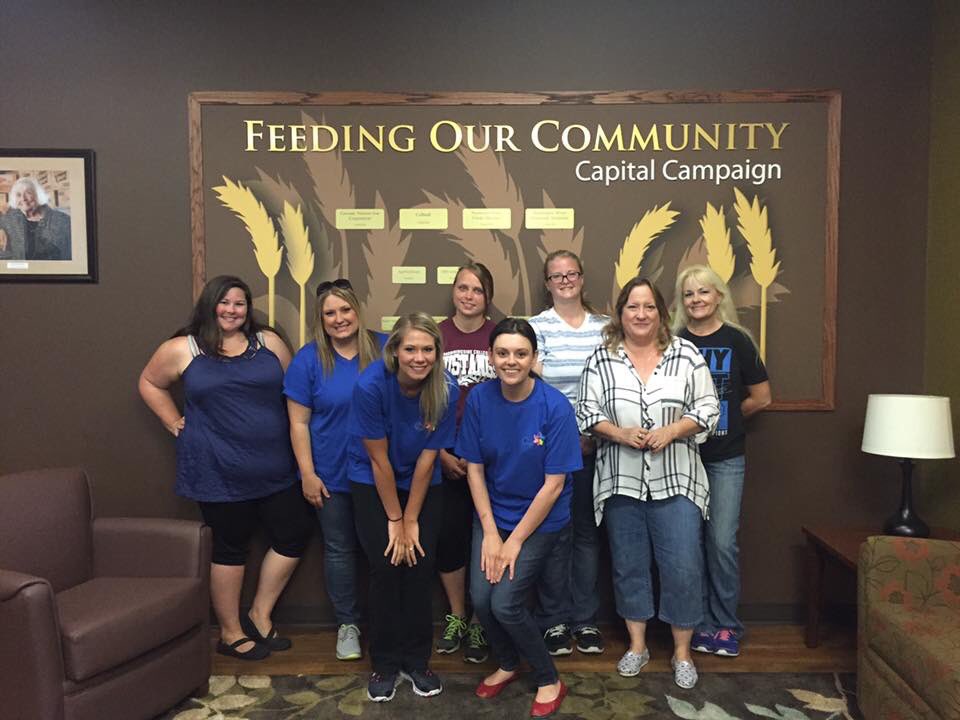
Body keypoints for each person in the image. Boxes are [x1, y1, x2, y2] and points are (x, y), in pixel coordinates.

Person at [138, 275, 313, 661]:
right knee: (231, 548)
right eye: (225, 303)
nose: (232, 310)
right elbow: (150, 382)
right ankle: (231, 633)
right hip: (216, 468)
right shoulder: (184, 348)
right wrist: (173, 422)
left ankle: (259, 615)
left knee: (295, 532)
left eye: (240, 303)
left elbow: (297, 390)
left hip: (276, 465)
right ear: (211, 305)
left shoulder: (269, 342)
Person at [577, 276, 719, 689]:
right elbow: (586, 412)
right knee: (629, 567)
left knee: (683, 568)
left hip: (678, 481)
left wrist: (673, 430)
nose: (641, 314)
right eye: (632, 307)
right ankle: (637, 647)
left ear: (661, 313)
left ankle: (681, 653)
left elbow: (708, 408)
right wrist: (620, 433)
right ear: (620, 314)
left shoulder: (687, 355)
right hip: (620, 482)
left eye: (649, 307)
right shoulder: (601, 359)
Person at [456, 318, 581, 719]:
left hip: (541, 520)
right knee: (481, 597)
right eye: (503, 353)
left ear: (533, 358)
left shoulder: (555, 406)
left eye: (521, 353)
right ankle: (508, 662)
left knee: (506, 603)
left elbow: (554, 486)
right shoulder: (479, 399)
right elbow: (473, 469)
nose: (511, 361)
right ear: (491, 357)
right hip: (493, 515)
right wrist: (492, 534)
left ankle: (549, 678)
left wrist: (513, 542)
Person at [349, 313, 459, 702]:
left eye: (427, 349)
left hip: (422, 484)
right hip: (373, 481)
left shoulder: (446, 387)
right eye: (410, 348)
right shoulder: (370, 386)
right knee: (385, 566)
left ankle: (417, 661)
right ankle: (384, 663)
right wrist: (395, 519)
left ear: (437, 352)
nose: (419, 357)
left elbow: (429, 461)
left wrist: (411, 518)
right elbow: (379, 462)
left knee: (419, 565)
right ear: (395, 351)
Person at [671, 265, 771, 658]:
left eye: (703, 292)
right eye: (689, 294)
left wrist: (722, 418)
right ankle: (696, 623)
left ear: (718, 297)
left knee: (721, 543)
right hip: (681, 458)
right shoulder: (673, 342)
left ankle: (726, 625)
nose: (696, 300)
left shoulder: (738, 341)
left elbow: (762, 398)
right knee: (686, 545)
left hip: (726, 458)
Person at [283, 278, 386, 662]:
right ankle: (348, 625)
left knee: (382, 551)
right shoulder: (308, 360)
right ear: (320, 319)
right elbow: (298, 424)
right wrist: (308, 473)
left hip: (381, 475)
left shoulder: (385, 347)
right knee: (340, 550)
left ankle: (385, 625)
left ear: (357, 310)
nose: (339, 319)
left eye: (345, 310)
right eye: (330, 313)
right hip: (330, 475)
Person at [527, 249, 608, 656]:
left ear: (581, 278)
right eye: (556, 276)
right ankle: (554, 620)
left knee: (587, 535)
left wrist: (591, 433)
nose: (564, 281)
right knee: (553, 536)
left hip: (597, 448)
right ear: (547, 283)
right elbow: (532, 391)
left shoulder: (606, 328)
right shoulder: (534, 328)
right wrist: (564, 437)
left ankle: (585, 620)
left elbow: (615, 385)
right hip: (551, 452)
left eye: (571, 273)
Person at [435, 262, 497, 663]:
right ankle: (457, 614)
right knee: (450, 539)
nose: (468, 295)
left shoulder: (500, 335)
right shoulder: (437, 334)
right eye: (462, 287)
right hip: (445, 454)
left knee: (487, 537)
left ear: (486, 296)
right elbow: (417, 400)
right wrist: (439, 452)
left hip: (491, 454)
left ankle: (482, 620)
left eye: (476, 289)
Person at [0, 177, 71, 260]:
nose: (23, 199)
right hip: (21, 270)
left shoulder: (62, 221)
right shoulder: (13, 217)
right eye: (18, 195)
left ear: (38, 195)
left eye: (28, 193)